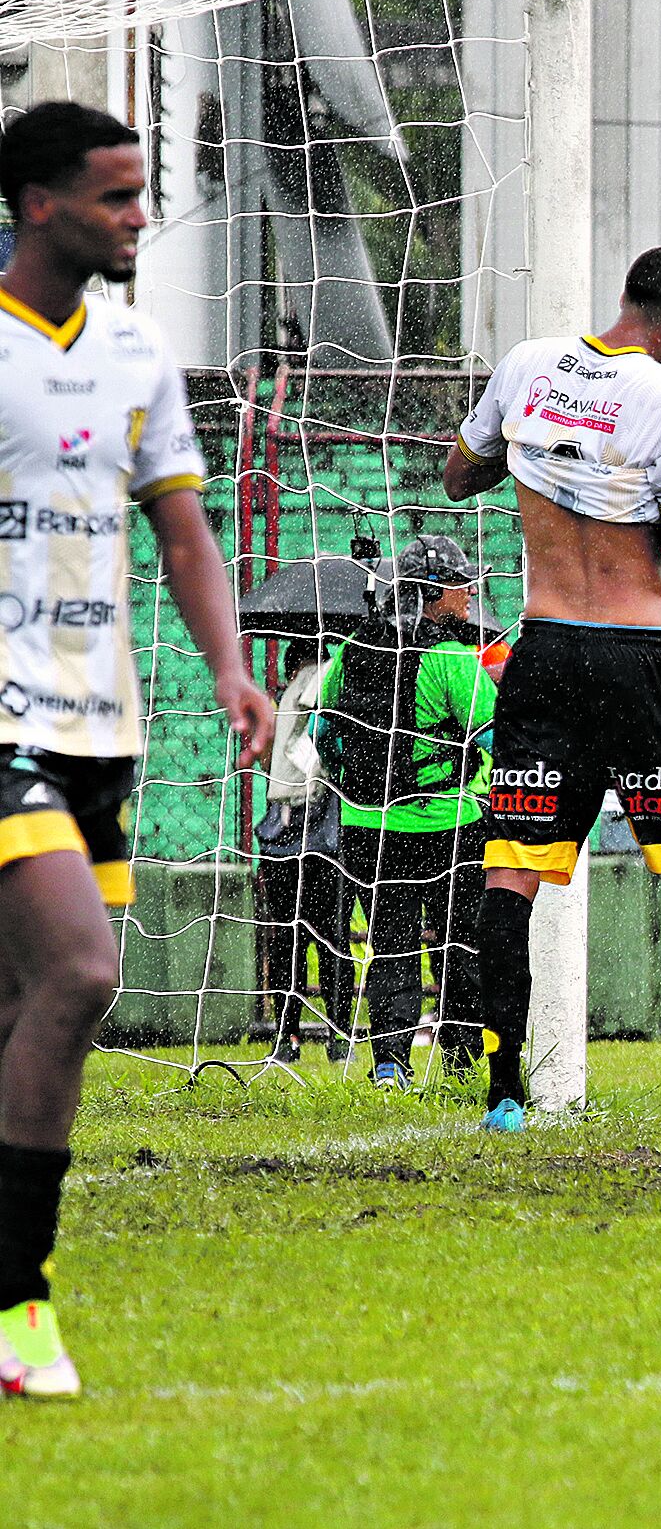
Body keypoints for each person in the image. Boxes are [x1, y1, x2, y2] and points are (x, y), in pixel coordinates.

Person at [0, 102, 273, 1400]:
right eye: (117, 196)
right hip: (1, 724)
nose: (139, 216)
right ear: (40, 203)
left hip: (101, 726)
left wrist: (230, 666)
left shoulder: (137, 354)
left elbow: (182, 535)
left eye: (142, 193)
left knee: (27, 1009)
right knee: (83, 971)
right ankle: (20, 1296)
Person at [443, 245, 661, 1137]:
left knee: (511, 874)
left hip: (544, 650)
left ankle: (503, 1095)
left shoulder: (527, 364)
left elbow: (460, 474)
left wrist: (548, 454)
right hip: (634, 660)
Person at [316, 535, 498, 1088]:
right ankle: (462, 1062)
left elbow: (324, 735)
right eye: (462, 582)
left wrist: (366, 783)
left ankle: (390, 1065)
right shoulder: (451, 657)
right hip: (449, 823)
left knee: (389, 944)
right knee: (458, 945)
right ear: (437, 592)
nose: (471, 592)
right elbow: (492, 730)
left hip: (368, 826)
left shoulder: (352, 649)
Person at [256, 633, 355, 1065]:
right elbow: (321, 744)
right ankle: (338, 1034)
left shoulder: (294, 689)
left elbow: (287, 755)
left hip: (285, 828)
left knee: (287, 937)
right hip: (317, 826)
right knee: (330, 935)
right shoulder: (322, 679)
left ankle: (287, 1037)